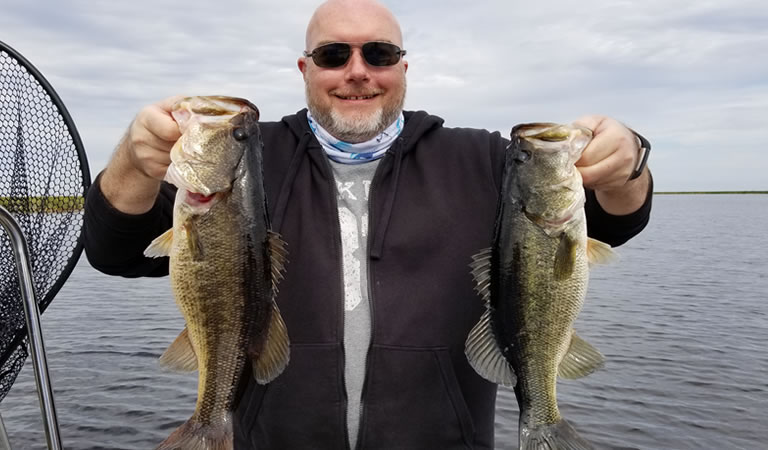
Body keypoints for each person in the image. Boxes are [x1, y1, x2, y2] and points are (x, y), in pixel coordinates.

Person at [81, 0, 653, 448]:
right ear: (305, 69)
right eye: (333, 55)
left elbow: (613, 220)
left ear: (403, 66)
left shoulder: (482, 159)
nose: (357, 72)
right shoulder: (245, 159)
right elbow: (115, 250)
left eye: (378, 54)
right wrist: (133, 160)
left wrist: (628, 162)